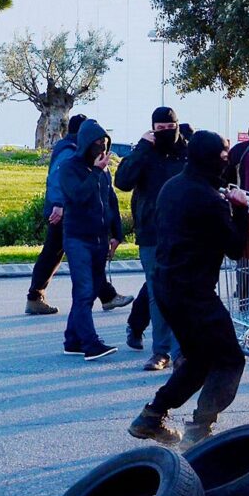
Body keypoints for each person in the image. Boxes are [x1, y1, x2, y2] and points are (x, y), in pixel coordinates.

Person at [128, 130, 249, 450]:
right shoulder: (208, 200)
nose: (227, 162)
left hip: (166, 287)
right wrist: (241, 210)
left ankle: (151, 417)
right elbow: (236, 248)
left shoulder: (174, 187)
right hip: (194, 293)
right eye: (223, 157)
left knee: (198, 359)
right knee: (229, 359)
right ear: (210, 160)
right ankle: (199, 428)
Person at [25, 114, 133, 315]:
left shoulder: (84, 152)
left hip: (72, 210)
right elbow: (59, 179)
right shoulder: (71, 153)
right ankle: (36, 296)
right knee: (58, 253)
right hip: (69, 211)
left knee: (55, 253)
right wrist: (58, 204)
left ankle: (37, 295)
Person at [115, 107, 188, 371]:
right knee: (157, 293)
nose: (167, 133)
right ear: (153, 129)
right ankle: (161, 352)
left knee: (181, 293)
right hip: (152, 233)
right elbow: (122, 181)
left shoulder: (188, 152)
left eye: (171, 128)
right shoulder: (144, 153)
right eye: (161, 129)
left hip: (183, 233)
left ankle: (182, 351)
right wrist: (143, 149)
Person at [59, 119, 123, 361]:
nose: (102, 149)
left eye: (105, 144)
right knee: (85, 291)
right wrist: (96, 171)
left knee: (90, 290)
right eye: (97, 144)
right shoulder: (69, 168)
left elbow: (110, 201)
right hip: (78, 238)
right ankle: (90, 343)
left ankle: (72, 339)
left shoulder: (103, 170)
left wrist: (117, 233)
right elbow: (77, 197)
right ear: (86, 144)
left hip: (100, 238)